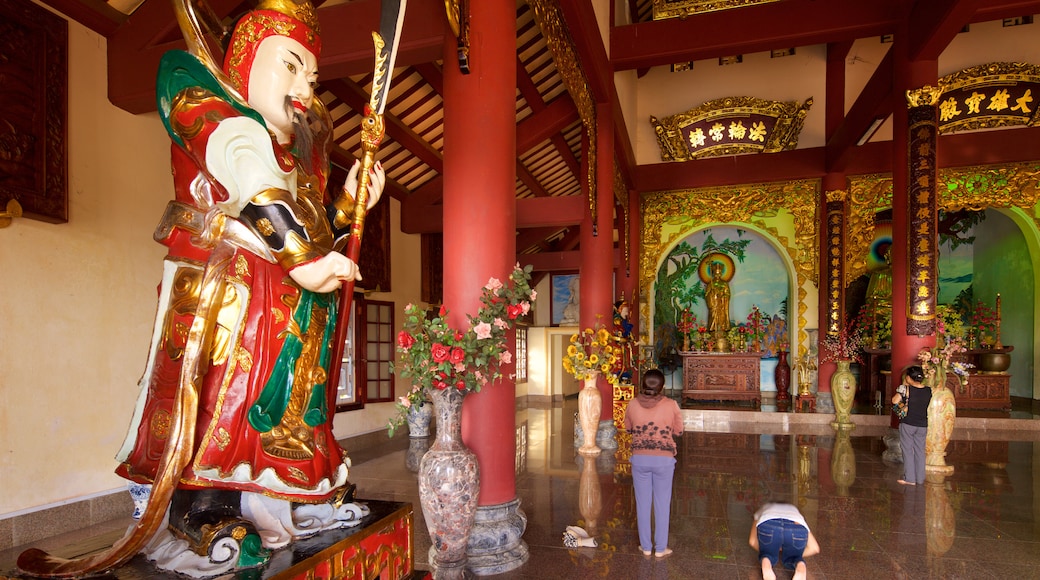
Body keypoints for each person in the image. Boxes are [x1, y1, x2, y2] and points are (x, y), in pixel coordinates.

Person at [112, 0, 386, 572]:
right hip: (227, 291)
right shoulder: (201, 99)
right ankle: (201, 501)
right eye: (289, 65)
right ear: (244, 59)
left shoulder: (300, 155)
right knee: (218, 397)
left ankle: (285, 493)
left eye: (310, 75)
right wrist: (306, 260)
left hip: (288, 305)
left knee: (286, 400)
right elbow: (248, 170)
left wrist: (345, 203)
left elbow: (311, 229)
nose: (303, 86)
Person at [624, 369, 683, 558]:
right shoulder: (671, 404)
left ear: (643, 384)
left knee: (642, 504)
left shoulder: (632, 404)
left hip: (640, 459)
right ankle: (660, 548)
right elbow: (679, 431)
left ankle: (646, 547)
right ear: (662, 386)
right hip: (664, 461)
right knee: (662, 504)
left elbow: (627, 428)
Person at [749, 502, 820, 580]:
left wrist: (765, 550)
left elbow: (752, 541)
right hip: (795, 528)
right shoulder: (798, 516)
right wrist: (792, 553)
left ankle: (766, 562)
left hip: (769, 524)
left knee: (767, 553)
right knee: (795, 556)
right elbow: (815, 548)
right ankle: (800, 564)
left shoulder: (764, 508)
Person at [893, 365, 930, 485]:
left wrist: (904, 385)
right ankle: (920, 478)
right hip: (922, 424)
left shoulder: (906, 389)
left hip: (908, 423)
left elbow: (894, 401)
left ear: (909, 378)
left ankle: (909, 478)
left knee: (908, 450)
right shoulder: (928, 390)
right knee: (920, 450)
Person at [705, 260, 731, 333]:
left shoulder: (724, 283)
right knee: (713, 317)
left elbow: (728, 294)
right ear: (713, 274)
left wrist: (722, 296)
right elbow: (707, 294)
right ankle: (712, 330)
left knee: (722, 318)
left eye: (719, 273)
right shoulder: (711, 284)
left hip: (722, 305)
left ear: (721, 273)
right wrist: (712, 294)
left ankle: (723, 329)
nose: (718, 275)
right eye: (716, 273)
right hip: (714, 305)